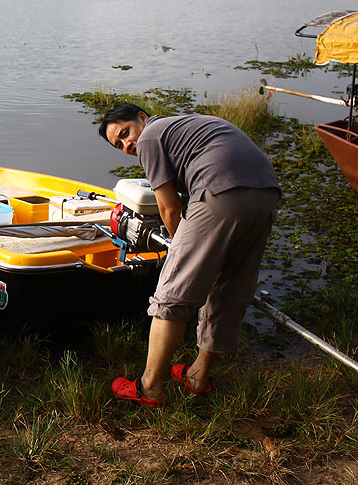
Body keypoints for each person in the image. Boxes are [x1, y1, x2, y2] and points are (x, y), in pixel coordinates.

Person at [98, 103, 279, 407]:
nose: (128, 144)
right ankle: (198, 375)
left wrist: (178, 250)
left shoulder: (151, 136)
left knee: (174, 290)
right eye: (119, 144)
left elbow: (169, 208)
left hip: (219, 190)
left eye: (126, 133)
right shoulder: (182, 127)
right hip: (266, 195)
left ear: (142, 117)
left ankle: (149, 386)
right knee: (229, 288)